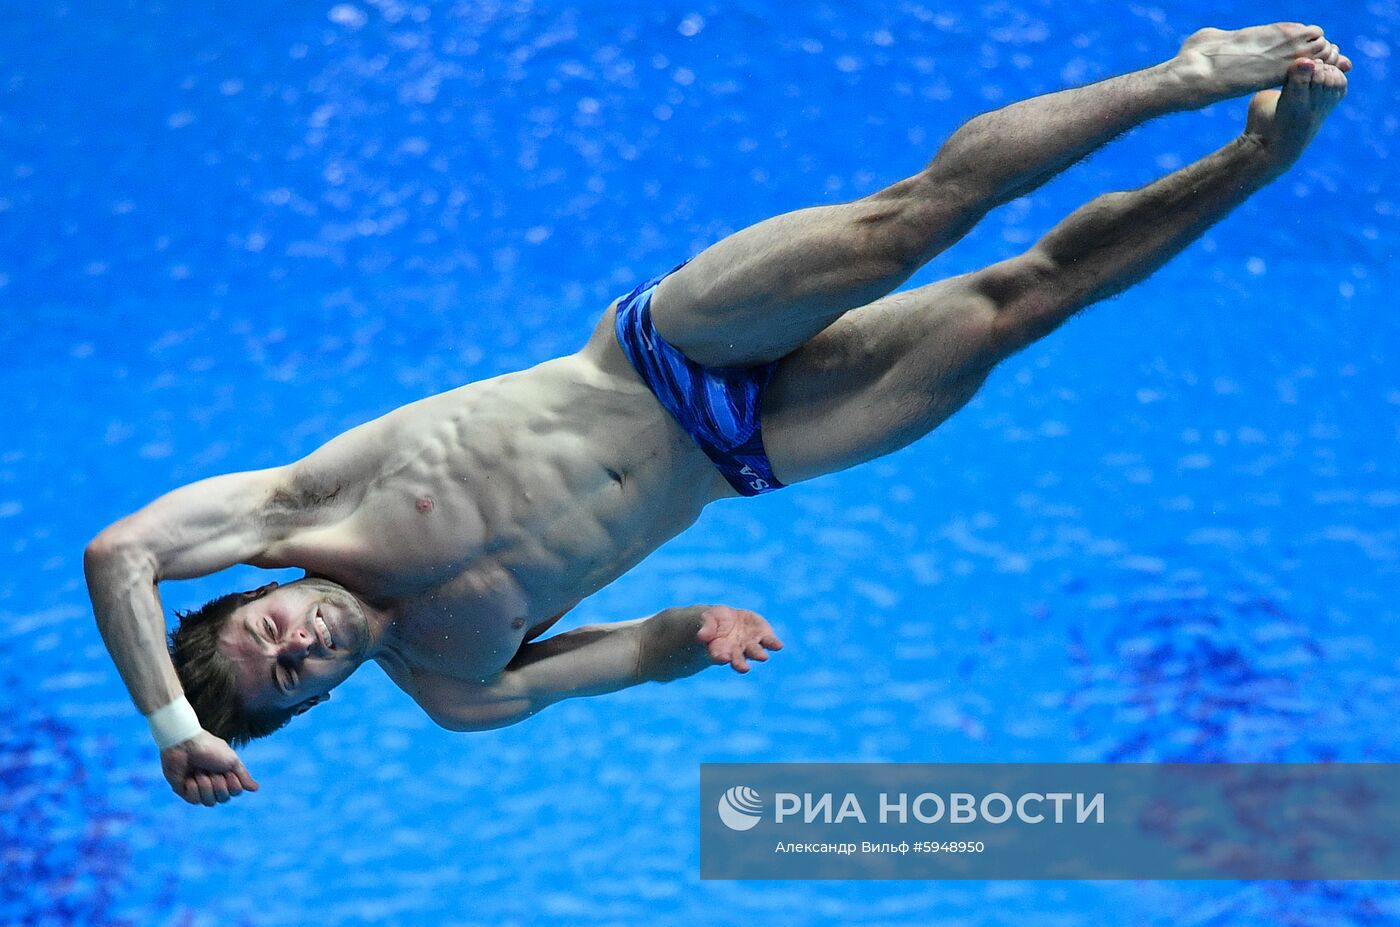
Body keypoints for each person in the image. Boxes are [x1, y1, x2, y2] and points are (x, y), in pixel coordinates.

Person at [85, 24, 1350, 807]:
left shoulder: (297, 509)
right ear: (315, 705)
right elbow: (639, 652)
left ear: (251, 591)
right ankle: (1254, 158)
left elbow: (119, 552)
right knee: (1016, 306)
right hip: (742, 449)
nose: (298, 641)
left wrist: (172, 725)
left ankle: (1181, 77)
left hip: (662, 352)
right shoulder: (459, 687)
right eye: (290, 677)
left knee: (908, 220)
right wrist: (705, 631)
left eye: (265, 629)